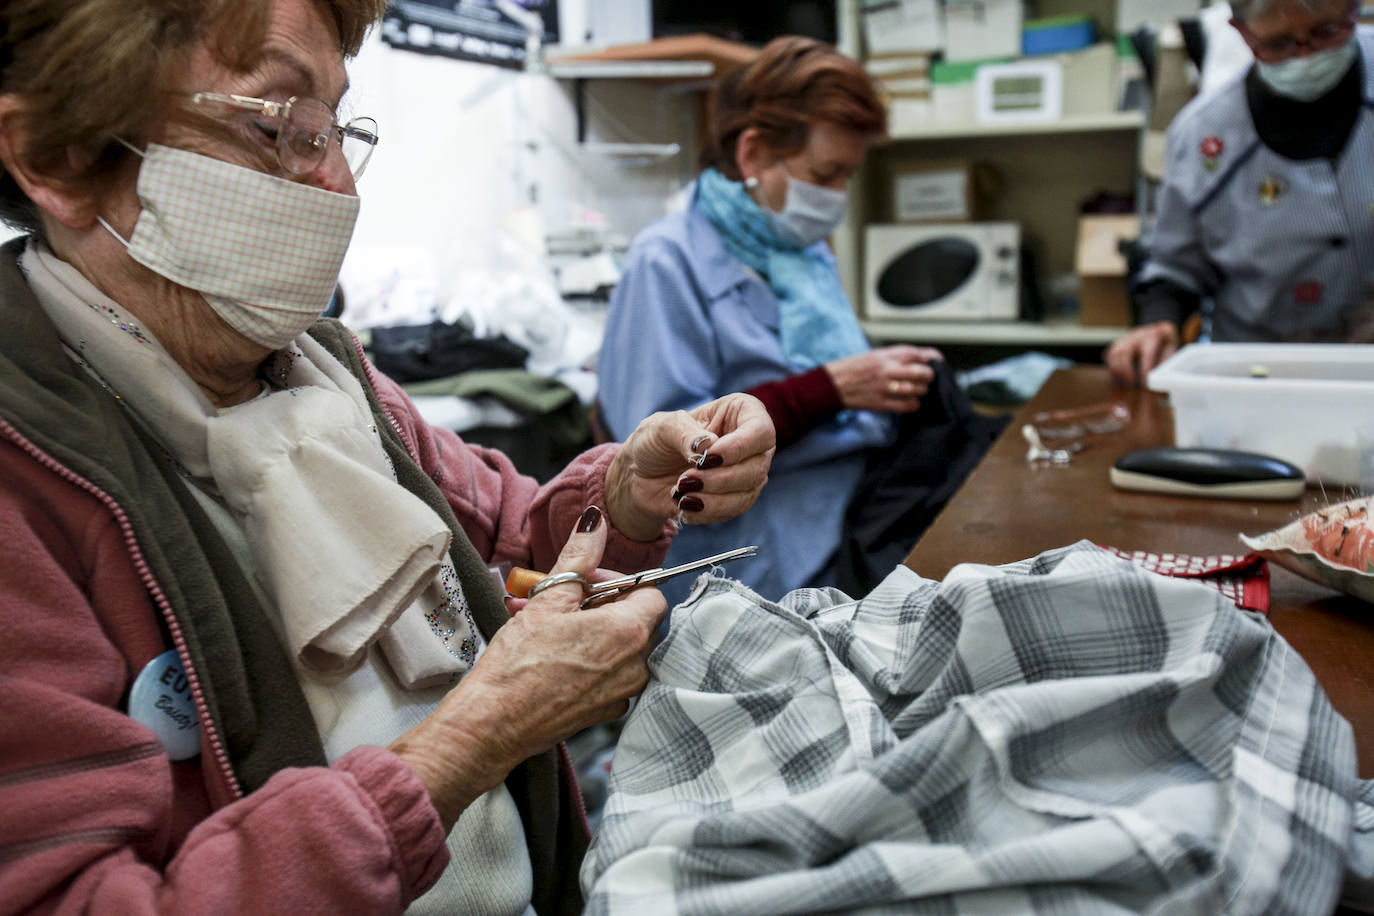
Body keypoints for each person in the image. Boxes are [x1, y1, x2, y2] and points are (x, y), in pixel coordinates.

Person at [0, 1, 774, 913]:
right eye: (279, 126)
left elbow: (507, 534)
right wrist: (472, 741)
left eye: (336, 129)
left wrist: (628, 494)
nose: (338, 186)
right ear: (57, 158)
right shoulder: (31, 479)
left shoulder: (321, 372)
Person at [596, 36, 947, 602]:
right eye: (826, 174)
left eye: (847, 177)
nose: (837, 197)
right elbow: (659, 458)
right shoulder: (665, 260)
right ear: (754, 154)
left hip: (847, 518)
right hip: (742, 562)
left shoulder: (802, 253)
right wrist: (829, 389)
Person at [1105, 0, 1374, 384]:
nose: (1306, 55)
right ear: (1244, 32)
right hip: (1264, 373)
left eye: (1327, 31)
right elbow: (1175, 267)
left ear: (1353, 8)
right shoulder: (1205, 137)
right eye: (1279, 43)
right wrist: (1158, 323)